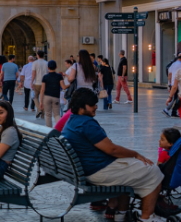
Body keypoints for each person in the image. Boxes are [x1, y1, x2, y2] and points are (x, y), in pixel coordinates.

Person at [62, 88, 164, 222]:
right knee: (154, 171)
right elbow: (112, 150)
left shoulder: (72, 120)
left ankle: (121, 214)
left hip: (87, 169)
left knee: (130, 169)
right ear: (82, 108)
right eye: (92, 104)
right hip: (97, 171)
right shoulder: (86, 124)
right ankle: (147, 217)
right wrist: (135, 154)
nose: (96, 107)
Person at [39, 60, 67, 128]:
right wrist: (69, 84)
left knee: (48, 114)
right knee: (57, 114)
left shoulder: (45, 77)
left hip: (46, 97)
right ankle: (59, 128)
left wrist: (41, 101)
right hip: (56, 97)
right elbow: (63, 87)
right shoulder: (59, 76)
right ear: (56, 67)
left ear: (48, 68)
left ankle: (49, 130)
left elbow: (42, 89)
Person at [31, 50, 48, 118]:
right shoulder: (46, 63)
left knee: (35, 97)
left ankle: (39, 109)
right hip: (45, 83)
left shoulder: (35, 63)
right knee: (43, 98)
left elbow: (33, 73)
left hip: (37, 83)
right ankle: (43, 114)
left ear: (37, 55)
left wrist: (31, 82)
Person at [167, 53, 181, 117]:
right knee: (177, 98)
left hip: (172, 83)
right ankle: (169, 110)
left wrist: (169, 83)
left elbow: (170, 74)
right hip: (178, 84)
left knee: (175, 98)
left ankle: (172, 111)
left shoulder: (173, 64)